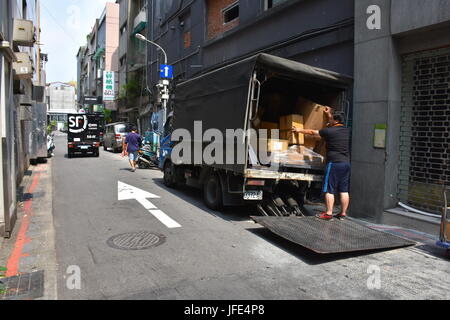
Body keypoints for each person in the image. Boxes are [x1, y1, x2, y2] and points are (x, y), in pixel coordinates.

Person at [292, 107, 350, 220]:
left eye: (331, 119)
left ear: (335, 120)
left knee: (329, 189)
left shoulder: (329, 131)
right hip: (346, 163)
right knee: (344, 190)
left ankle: (328, 213)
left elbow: (313, 132)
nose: (330, 120)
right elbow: (334, 122)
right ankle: (343, 213)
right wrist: (329, 114)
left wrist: (299, 130)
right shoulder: (346, 130)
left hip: (334, 163)